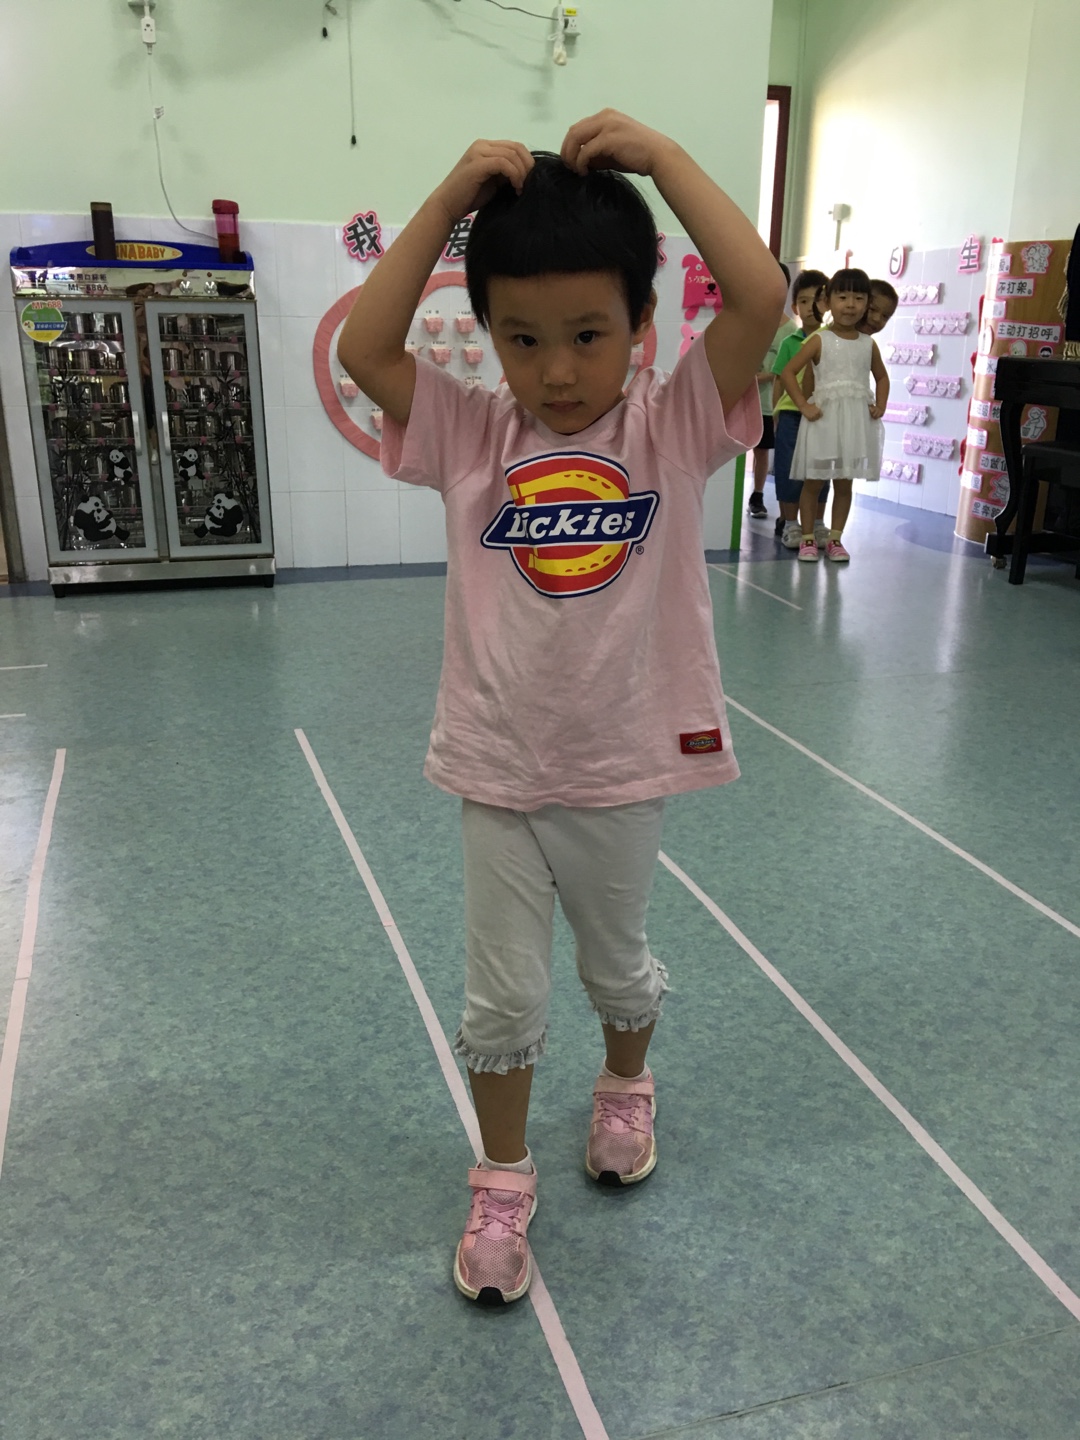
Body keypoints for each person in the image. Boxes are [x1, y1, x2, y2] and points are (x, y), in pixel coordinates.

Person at [337, 110, 785, 1306]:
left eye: (590, 335)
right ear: (487, 334)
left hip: (621, 767)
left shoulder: (670, 426)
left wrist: (666, 160)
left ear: (643, 326)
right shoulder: (470, 433)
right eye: (523, 339)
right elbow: (366, 349)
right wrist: (448, 200)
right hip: (496, 768)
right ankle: (501, 1178)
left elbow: (759, 296)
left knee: (616, 968)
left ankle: (626, 1088)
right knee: (503, 998)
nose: (559, 371)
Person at [779, 267, 888, 563]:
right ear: (828, 301)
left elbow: (881, 377)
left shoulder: (868, 344)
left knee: (844, 482)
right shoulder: (820, 340)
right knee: (813, 482)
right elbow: (788, 373)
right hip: (823, 422)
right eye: (843, 297)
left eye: (858, 298)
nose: (850, 305)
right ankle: (807, 537)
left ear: (867, 303)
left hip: (853, 424)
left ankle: (835, 538)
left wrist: (880, 405)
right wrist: (803, 405)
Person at [770, 269, 829, 549]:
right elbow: (780, 381)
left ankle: (817, 524)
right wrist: (776, 414)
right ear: (795, 307)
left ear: (828, 304)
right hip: (792, 414)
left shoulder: (833, 341)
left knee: (821, 469)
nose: (810, 307)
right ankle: (790, 524)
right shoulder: (789, 343)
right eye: (804, 301)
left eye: (817, 300)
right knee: (788, 469)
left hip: (823, 415)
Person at [746, 261, 793, 521]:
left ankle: (758, 494)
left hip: (770, 402)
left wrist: (764, 376)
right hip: (745, 399)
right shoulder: (751, 322)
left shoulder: (790, 331)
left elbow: (785, 371)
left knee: (763, 450)